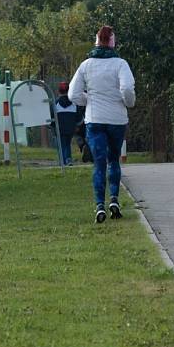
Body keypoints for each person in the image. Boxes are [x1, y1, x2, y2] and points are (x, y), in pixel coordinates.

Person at [69, 25, 136, 223]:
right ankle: (114, 199)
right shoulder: (120, 64)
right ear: (113, 42)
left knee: (99, 164)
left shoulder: (86, 65)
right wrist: (128, 103)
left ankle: (100, 205)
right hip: (117, 120)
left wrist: (88, 100)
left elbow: (73, 94)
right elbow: (127, 89)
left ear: (96, 41)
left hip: (95, 119)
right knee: (113, 160)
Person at [55, 82, 82, 166]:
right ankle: (68, 159)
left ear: (58, 91)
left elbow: (51, 116)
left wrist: (51, 126)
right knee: (67, 143)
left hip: (59, 128)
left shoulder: (56, 103)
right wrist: (77, 125)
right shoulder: (73, 103)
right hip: (71, 128)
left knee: (62, 144)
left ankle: (63, 160)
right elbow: (79, 117)